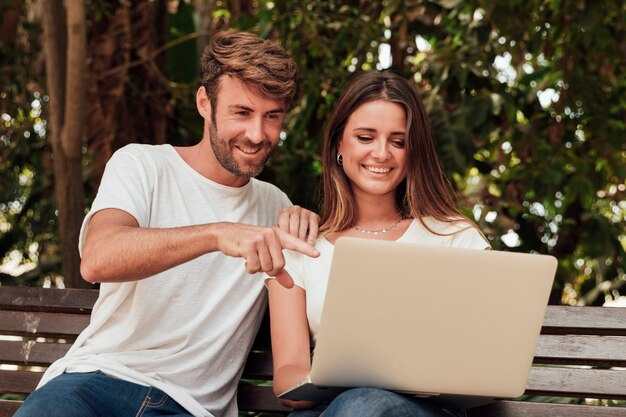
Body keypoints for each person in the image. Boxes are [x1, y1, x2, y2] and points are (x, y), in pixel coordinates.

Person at [15, 30, 321, 417]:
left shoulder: (277, 207)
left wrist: (309, 225)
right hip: (92, 383)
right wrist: (216, 234)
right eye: (242, 113)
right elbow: (97, 258)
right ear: (204, 103)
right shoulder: (142, 165)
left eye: (272, 117)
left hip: (189, 408)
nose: (258, 134)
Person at [266, 71, 491, 417]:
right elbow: (288, 383)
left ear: (413, 151)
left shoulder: (456, 239)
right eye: (365, 137)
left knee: (364, 405)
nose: (382, 153)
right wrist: (343, 375)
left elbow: (482, 360)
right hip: (324, 409)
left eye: (398, 141)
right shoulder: (301, 247)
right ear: (340, 143)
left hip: (423, 410)